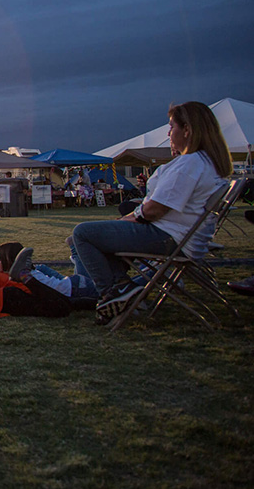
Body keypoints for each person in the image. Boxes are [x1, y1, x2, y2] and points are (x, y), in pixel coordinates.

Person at [71, 101, 231, 323]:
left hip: (168, 237)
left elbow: (156, 209)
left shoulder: (190, 164)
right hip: (180, 237)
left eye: (172, 127)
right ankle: (121, 289)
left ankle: (114, 292)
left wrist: (131, 219)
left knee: (82, 233)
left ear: (187, 130)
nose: (169, 133)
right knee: (89, 238)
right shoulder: (205, 163)